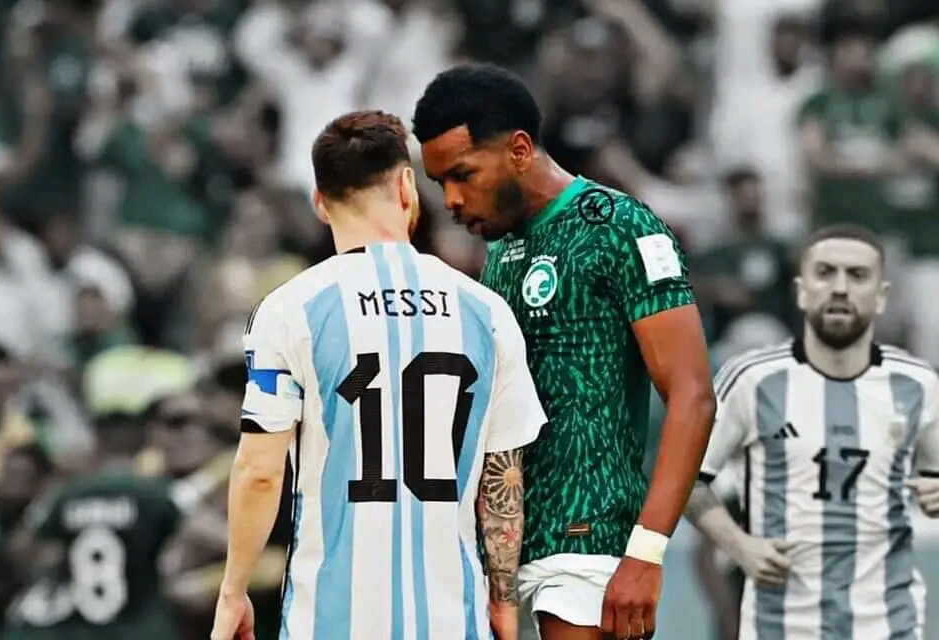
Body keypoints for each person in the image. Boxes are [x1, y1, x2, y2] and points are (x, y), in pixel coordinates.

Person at [209, 110, 547, 640]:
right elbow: (502, 476)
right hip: (450, 621)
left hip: (331, 622)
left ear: (320, 203)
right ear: (407, 186)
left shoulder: (290, 310)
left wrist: (234, 591)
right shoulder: (485, 311)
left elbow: (259, 472)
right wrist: (503, 600)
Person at [413, 63, 717, 640]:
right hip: (505, 548)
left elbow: (693, 395)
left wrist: (646, 552)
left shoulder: (621, 227)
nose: (450, 199)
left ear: (519, 150)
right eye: (440, 182)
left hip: (590, 541)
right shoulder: (501, 251)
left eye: (462, 175)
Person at [684, 223, 939, 640]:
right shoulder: (750, 380)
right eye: (825, 273)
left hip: (887, 625)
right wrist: (739, 546)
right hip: (782, 625)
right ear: (802, 291)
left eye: (857, 275)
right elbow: (687, 479)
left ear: (881, 296)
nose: (840, 288)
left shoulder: (919, 384)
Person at [1, 412, 227, 640]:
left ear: (97, 445)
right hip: (142, 627)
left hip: (78, 628)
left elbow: (22, 548)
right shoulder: (154, 493)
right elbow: (211, 534)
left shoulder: (69, 493)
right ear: (145, 447)